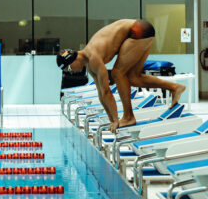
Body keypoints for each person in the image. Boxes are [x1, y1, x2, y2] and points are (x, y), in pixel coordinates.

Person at [56, 19, 186, 133]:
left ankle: (129, 117)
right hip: (143, 30)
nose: (71, 71)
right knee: (133, 78)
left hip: (138, 30)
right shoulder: (89, 64)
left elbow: (107, 92)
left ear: (73, 60)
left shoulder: (93, 57)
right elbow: (101, 94)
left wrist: (115, 120)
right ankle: (175, 87)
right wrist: (112, 119)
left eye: (68, 68)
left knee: (117, 73)